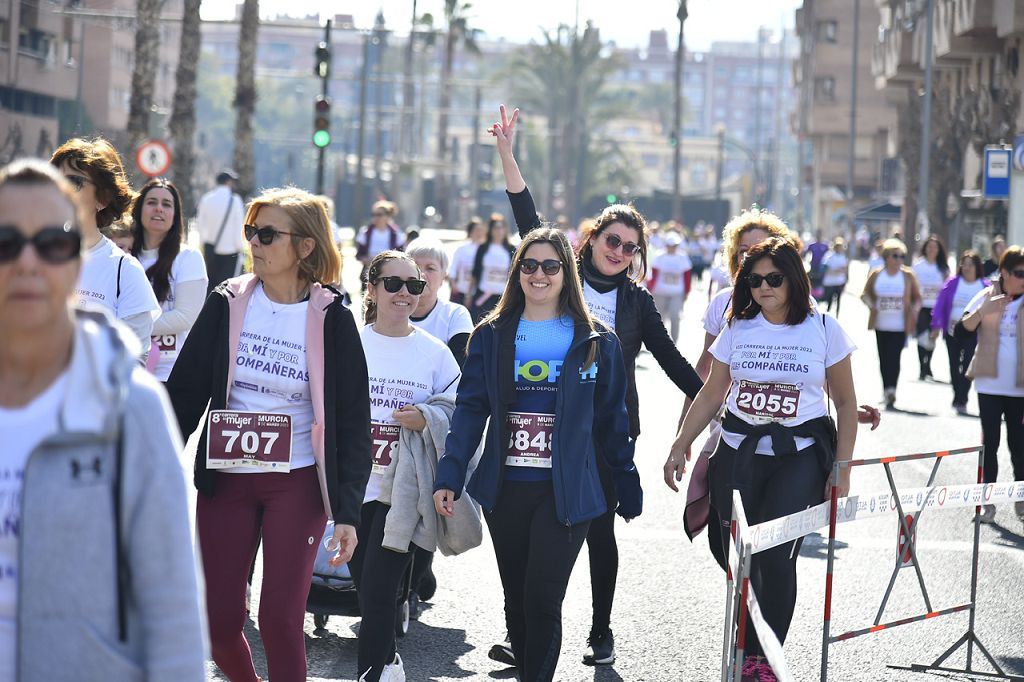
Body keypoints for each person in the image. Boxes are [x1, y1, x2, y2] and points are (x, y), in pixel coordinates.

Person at [491, 105, 701, 666]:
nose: (620, 251)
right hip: (538, 425)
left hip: (606, 429)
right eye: (614, 239)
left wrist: (717, 402)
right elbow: (526, 215)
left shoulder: (635, 301)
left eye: (631, 246)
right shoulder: (558, 272)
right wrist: (508, 154)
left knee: (597, 531)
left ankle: (600, 630)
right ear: (593, 237)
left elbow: (673, 360)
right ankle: (526, 636)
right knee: (526, 535)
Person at [0, 159, 206, 680]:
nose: (27, 262)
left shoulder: (131, 408)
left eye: (50, 242)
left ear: (75, 263)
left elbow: (170, 599)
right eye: (6, 242)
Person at [166, 187, 372, 682]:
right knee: (217, 625)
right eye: (250, 232)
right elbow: (185, 393)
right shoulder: (228, 302)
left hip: (297, 482)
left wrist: (347, 512)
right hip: (228, 480)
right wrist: (146, 463)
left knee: (280, 621)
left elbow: (352, 422)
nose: (253, 244)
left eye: (266, 234)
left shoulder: (333, 317)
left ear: (304, 247)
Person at [434, 227, 641, 682]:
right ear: (517, 272)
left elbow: (612, 419)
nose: (539, 274)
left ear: (567, 273)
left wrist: (626, 479)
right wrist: (449, 474)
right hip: (506, 490)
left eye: (551, 266)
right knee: (517, 602)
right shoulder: (492, 335)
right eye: (529, 265)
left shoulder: (595, 341)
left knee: (543, 600)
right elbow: (470, 411)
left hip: (565, 494)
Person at [666, 236, 858, 681]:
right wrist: (681, 443)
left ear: (794, 278)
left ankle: (761, 658)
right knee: (733, 552)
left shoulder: (825, 328)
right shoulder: (738, 327)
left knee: (774, 556)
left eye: (774, 278)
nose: (764, 288)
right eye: (754, 281)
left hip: (800, 456)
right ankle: (751, 631)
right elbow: (713, 391)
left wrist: (841, 468)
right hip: (738, 451)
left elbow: (846, 404)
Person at [349, 250, 462, 682]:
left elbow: (461, 412)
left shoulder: (434, 354)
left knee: (379, 592)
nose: (404, 293)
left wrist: (427, 417)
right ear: (372, 288)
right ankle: (390, 660)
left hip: (402, 492)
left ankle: (373, 673)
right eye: (393, 284)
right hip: (351, 488)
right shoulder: (351, 343)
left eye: (413, 285)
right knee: (367, 591)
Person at [50, 138, 160, 363]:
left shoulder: (125, 271)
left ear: (102, 198)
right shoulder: (25, 257)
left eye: (73, 182)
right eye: (52, 181)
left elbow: (133, 362)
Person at [960, 245, 1024, 525]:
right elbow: (961, 330)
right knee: (991, 444)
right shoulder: (986, 295)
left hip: (1019, 388)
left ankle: (1021, 501)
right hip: (988, 384)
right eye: (1020, 273)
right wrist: (985, 310)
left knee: (1019, 445)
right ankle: (988, 503)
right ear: (1004, 273)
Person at [129, 178, 208, 382]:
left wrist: (126, 326)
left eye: (167, 204)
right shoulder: (123, 257)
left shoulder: (188, 258)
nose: (159, 209)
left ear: (175, 215)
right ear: (139, 210)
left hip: (171, 374)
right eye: (151, 202)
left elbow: (185, 317)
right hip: (126, 370)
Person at [861, 238, 922, 410]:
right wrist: (872, 305)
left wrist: (914, 310)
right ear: (887, 257)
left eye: (902, 256)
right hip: (880, 323)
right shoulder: (876, 273)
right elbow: (865, 293)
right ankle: (885, 388)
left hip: (900, 325)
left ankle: (892, 390)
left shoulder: (908, 275)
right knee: (883, 358)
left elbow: (917, 298)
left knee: (895, 358)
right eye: (895, 256)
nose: (898, 260)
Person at [930, 251, 989, 415]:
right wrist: (936, 325)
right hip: (952, 331)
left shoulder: (984, 287)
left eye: (970, 264)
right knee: (954, 365)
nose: (967, 268)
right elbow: (940, 305)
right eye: (964, 264)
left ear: (977, 267)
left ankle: (962, 398)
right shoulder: (952, 283)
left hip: (974, 334)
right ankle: (957, 394)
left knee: (969, 366)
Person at [196, 169, 245, 293]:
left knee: (210, 286)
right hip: (230, 250)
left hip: (210, 249)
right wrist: (240, 247)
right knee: (227, 288)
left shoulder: (206, 199)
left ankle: (209, 311)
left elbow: (200, 223)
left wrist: (204, 243)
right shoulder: (235, 200)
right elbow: (238, 226)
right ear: (228, 182)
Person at [913, 235, 951, 380]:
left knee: (932, 338)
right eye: (929, 247)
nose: (932, 250)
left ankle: (928, 364)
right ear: (925, 248)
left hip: (937, 308)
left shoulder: (943, 268)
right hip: (921, 307)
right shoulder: (917, 266)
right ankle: (921, 367)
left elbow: (947, 289)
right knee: (921, 337)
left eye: (935, 247)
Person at [469, 212, 514, 323]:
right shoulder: (483, 248)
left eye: (501, 227)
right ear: (490, 230)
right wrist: (469, 295)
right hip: (483, 296)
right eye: (496, 228)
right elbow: (475, 272)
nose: (499, 231)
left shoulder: (510, 249)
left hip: (502, 298)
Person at [649, 232, 692, 342]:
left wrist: (687, 291)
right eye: (669, 245)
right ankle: (660, 340)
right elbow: (654, 275)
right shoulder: (659, 256)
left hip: (676, 293)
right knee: (660, 318)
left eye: (674, 246)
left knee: (675, 316)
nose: (672, 248)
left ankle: (674, 340)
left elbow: (687, 276)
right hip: (659, 292)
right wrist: (650, 290)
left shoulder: (683, 257)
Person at [356, 200, 405, 290]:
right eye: (374, 215)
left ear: (387, 216)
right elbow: (359, 254)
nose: (376, 217)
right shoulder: (366, 233)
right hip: (369, 271)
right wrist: (367, 260)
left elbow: (401, 255)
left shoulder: (396, 234)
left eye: (379, 215)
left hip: (389, 272)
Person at [448, 217, 486, 305]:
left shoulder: (486, 250)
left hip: (478, 293)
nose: (479, 233)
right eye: (477, 230)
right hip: (460, 290)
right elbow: (453, 268)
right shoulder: (462, 249)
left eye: (481, 230)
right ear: (470, 231)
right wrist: (453, 284)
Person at [821, 237, 850, 316]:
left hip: (840, 281)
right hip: (830, 282)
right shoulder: (829, 256)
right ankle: (827, 314)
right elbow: (825, 268)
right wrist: (836, 270)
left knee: (838, 299)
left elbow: (845, 269)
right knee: (829, 299)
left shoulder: (843, 257)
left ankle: (837, 315)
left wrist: (846, 278)